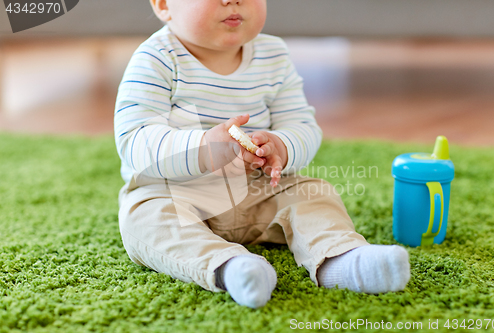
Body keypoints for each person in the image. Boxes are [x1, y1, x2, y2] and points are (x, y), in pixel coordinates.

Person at [114, 0, 411, 309]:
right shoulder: (156, 58)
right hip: (177, 194)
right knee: (142, 218)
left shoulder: (273, 55)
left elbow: (302, 125)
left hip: (259, 189)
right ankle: (231, 267)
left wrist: (281, 146)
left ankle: (340, 258)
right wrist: (203, 150)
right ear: (164, 5)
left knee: (312, 192)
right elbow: (134, 140)